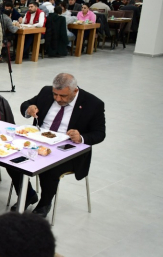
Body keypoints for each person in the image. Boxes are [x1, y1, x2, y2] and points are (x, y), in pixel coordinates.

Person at [7, 74, 105, 216]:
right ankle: (28, 195)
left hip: (68, 149)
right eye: (55, 95)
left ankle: (45, 203)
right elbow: (26, 104)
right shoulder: (46, 92)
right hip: (38, 142)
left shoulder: (93, 104)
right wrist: (29, 109)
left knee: (50, 167)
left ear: (75, 91)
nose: (58, 99)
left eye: (63, 96)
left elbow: (100, 133)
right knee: (11, 159)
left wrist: (82, 137)